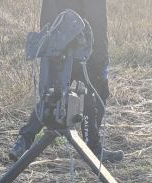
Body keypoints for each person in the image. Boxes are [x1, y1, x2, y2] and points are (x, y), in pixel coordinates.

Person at [8, 0, 123, 163]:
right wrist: (102, 60)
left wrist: (49, 49)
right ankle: (93, 148)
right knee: (96, 95)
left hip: (56, 48)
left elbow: (47, 17)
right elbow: (97, 22)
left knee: (51, 96)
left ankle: (23, 141)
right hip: (85, 51)